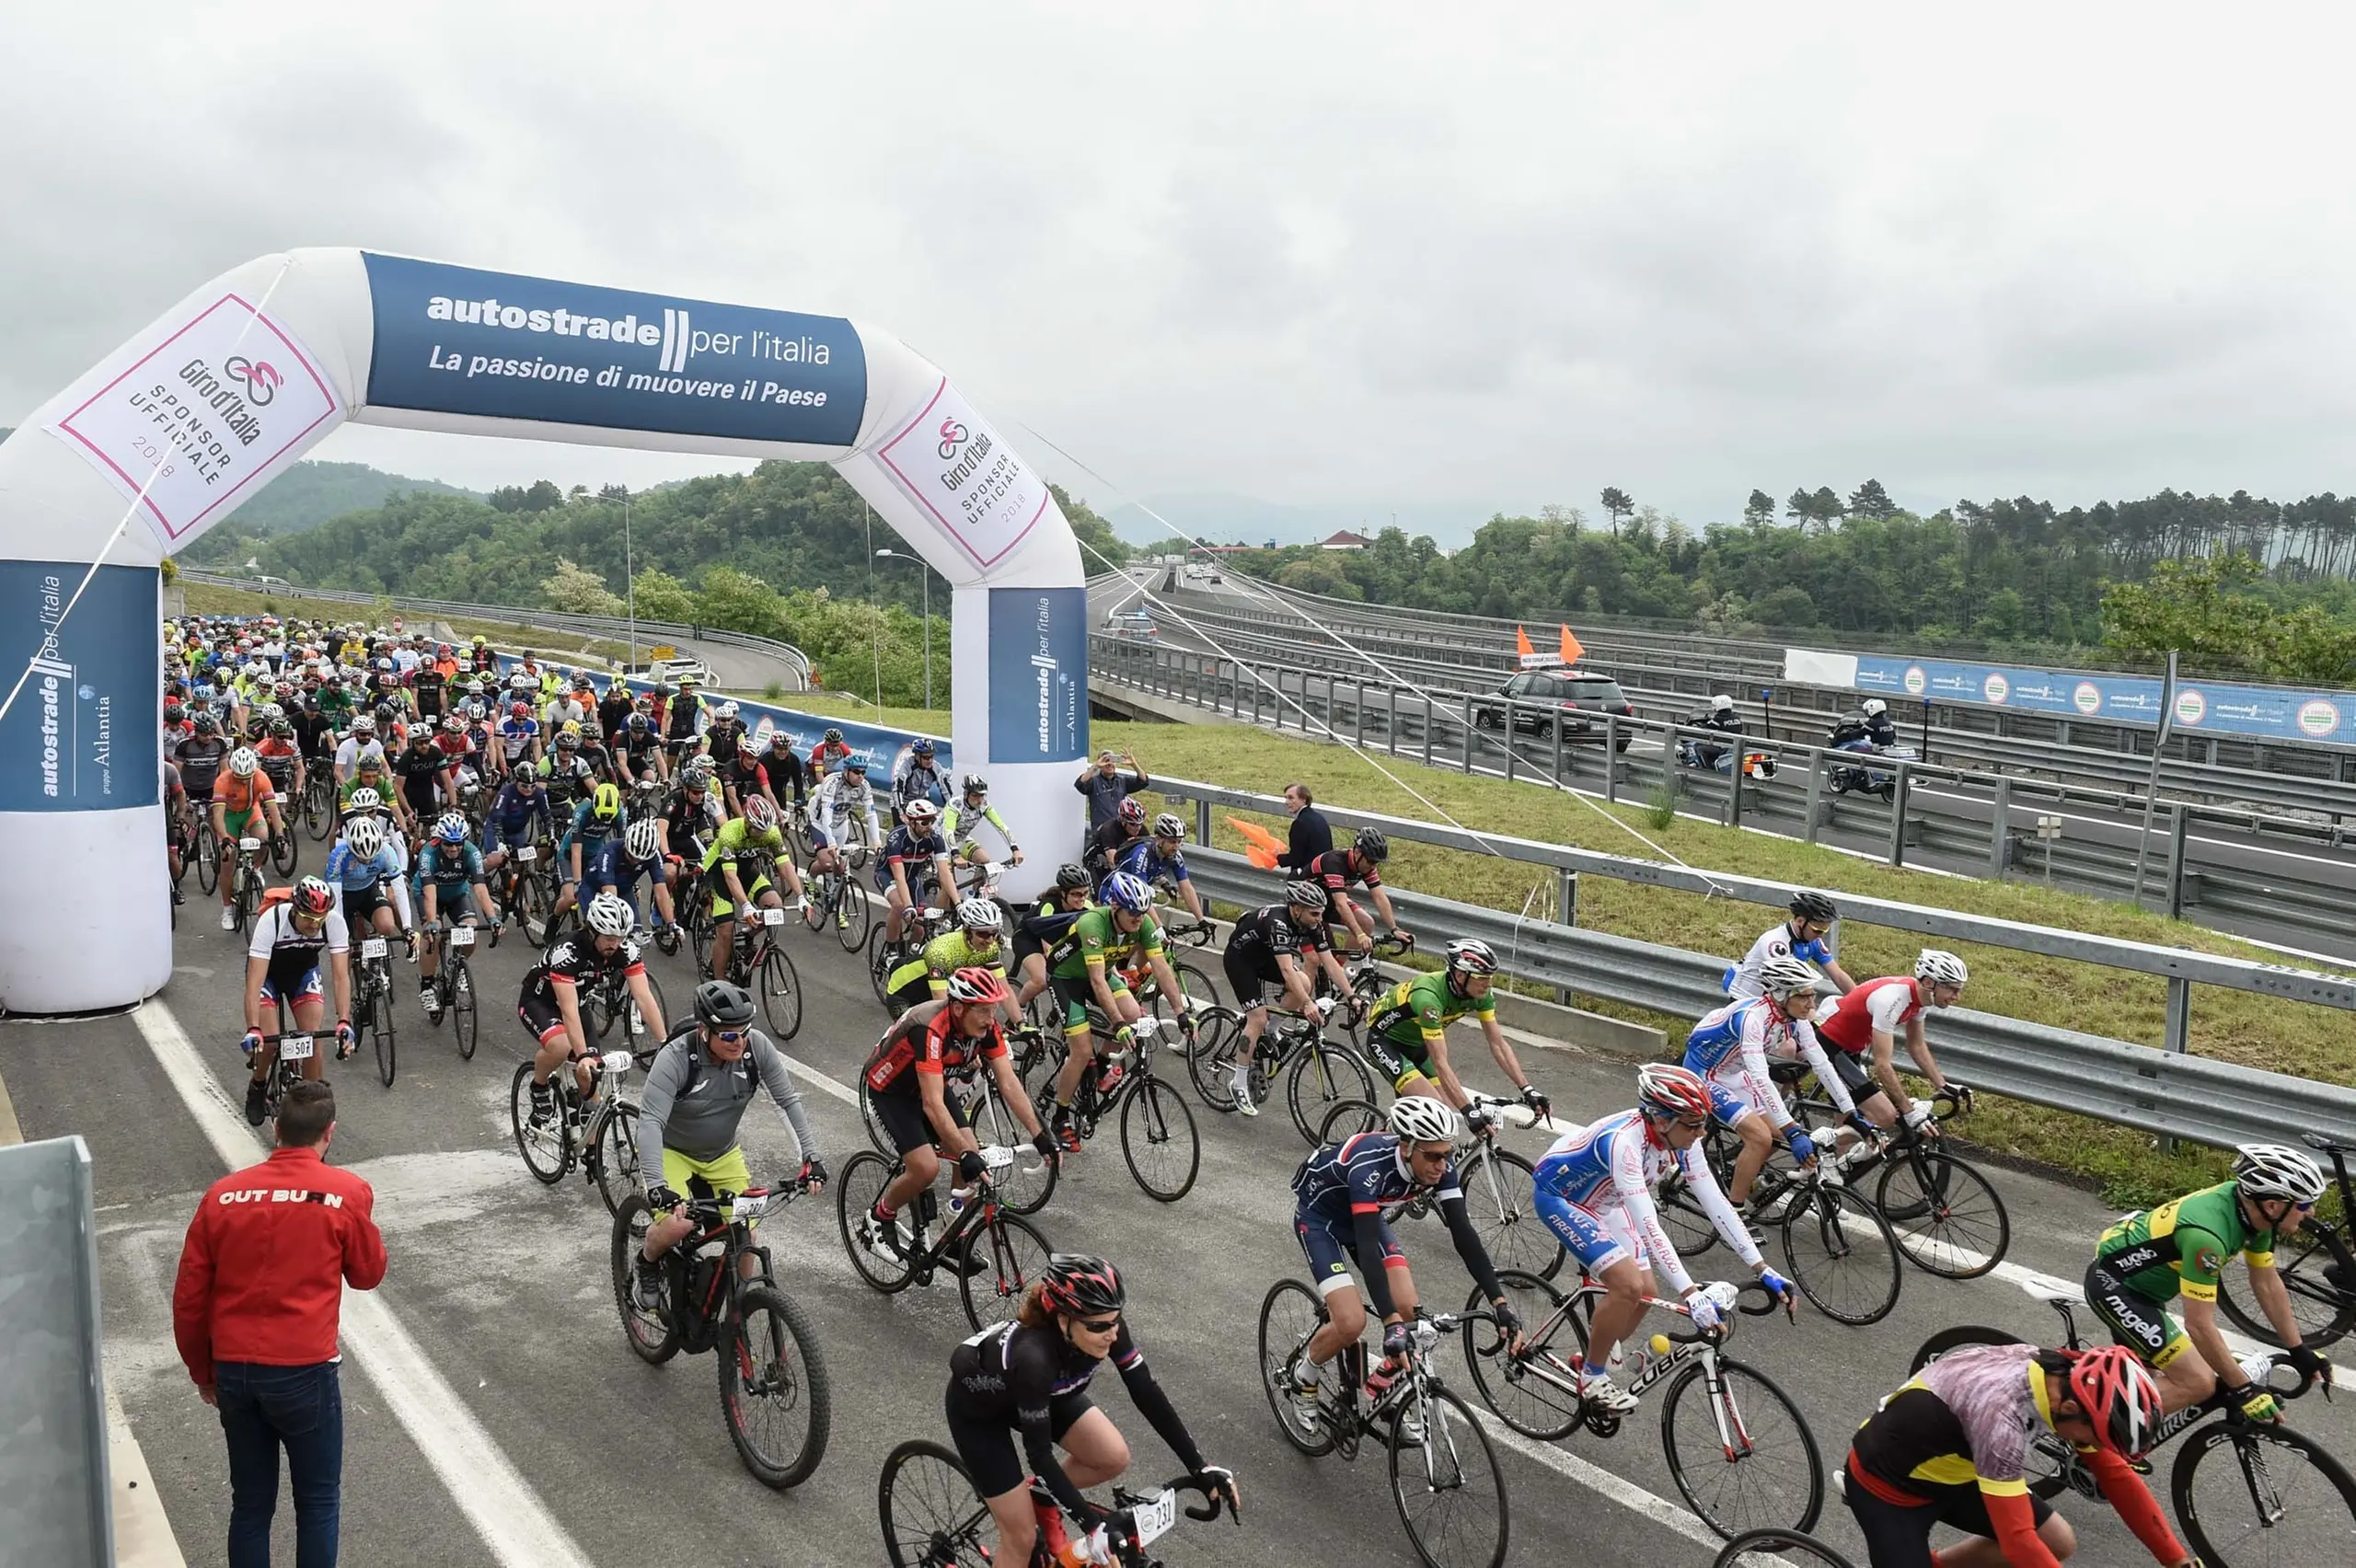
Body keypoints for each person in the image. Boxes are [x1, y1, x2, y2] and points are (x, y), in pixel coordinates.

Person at [172, 1079, 385, 1568]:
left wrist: (203, 1372)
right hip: (303, 1370)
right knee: (317, 1502)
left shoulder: (221, 1196)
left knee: (250, 1506)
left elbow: (188, 1299)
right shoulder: (346, 1192)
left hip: (235, 1371)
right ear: (328, 1133)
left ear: (276, 1129)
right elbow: (368, 1274)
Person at [1530, 1065, 1795, 1412]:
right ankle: (1592, 1378)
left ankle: (1590, 1354)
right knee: (1627, 1285)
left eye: (1704, 1122)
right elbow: (1650, 1225)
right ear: (1659, 1119)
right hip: (1563, 1197)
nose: (1701, 1132)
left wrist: (1763, 1269)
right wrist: (1691, 1295)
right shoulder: (1624, 1142)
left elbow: (1717, 1203)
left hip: (1607, 1201)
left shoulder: (1682, 1137)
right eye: (1693, 1124)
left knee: (1647, 1293)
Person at [945, 1254, 1237, 1568]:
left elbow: (1145, 1390)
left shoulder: (1103, 1325)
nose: (1112, 1334)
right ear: (1062, 1320)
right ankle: (1032, 1507)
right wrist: (1093, 1528)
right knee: (1021, 1538)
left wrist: (1199, 1466)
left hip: (1048, 1397)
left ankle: (1043, 1496)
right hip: (982, 1416)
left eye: (1116, 1320)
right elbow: (1039, 1455)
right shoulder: (1034, 1359)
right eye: (1099, 1326)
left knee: (1113, 1456)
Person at [1278, 1097, 1521, 1438]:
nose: (1442, 1164)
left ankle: (1380, 1386)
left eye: (1447, 1154)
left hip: (1366, 1217)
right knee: (1351, 1322)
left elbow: (1464, 1236)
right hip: (1323, 1222)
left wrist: (1500, 1304)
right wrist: (1390, 1323)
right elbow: (1365, 1247)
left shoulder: (1439, 1167)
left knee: (1411, 1313)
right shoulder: (1368, 1167)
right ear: (1407, 1147)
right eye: (1433, 1156)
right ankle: (1304, 1375)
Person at [1844, 1341, 2185, 1568]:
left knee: (2057, 1541)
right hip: (1889, 1490)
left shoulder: (2066, 1376)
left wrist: (2177, 1561)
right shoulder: (2002, 1419)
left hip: (1958, 1469)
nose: (2100, 1448)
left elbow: (2117, 1477)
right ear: (2069, 1408)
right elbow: (2017, 1540)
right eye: (2099, 1438)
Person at [2088, 1143, 2333, 1417]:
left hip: (2145, 1291)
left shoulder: (2256, 1214)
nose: (2311, 1211)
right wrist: (2243, 1389)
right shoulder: (2207, 1238)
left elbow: (2266, 1283)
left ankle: (2111, 1434)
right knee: (2198, 1383)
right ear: (2273, 1205)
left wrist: (2298, 1349)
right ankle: (2090, 1435)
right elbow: (2199, 1325)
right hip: (2117, 1287)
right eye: (2305, 1203)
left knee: (2151, 1380)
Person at [629, 980, 826, 1309]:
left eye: (744, 1032)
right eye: (730, 1036)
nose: (740, 1043)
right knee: (680, 1224)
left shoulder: (756, 1049)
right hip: (672, 1149)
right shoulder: (676, 1059)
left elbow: (787, 1102)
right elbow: (650, 1122)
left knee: (746, 1235)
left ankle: (739, 1314)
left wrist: (811, 1157)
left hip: (721, 1153)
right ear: (705, 1031)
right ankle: (647, 1261)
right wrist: (658, 1186)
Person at [859, 968, 1055, 1260]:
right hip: (892, 1090)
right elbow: (932, 1104)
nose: (991, 1019)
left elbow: (1009, 1083)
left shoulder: (984, 1028)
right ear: (959, 1007)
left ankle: (953, 1233)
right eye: (985, 1011)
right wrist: (964, 1155)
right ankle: (879, 1216)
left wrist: (1041, 1135)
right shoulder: (929, 1029)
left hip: (930, 1085)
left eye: (994, 1010)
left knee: (972, 1151)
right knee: (926, 1168)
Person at [1681, 954, 1861, 1207]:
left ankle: (1741, 1172)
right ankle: (1735, 1211)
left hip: (1733, 1074)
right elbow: (1761, 1079)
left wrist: (1851, 1112)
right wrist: (1793, 1129)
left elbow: (1822, 1065)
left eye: (1813, 994)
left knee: (1777, 1135)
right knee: (1761, 1138)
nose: (1812, 1003)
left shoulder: (1795, 1020)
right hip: (1704, 1074)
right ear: (1781, 995)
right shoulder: (1752, 1018)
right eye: (1805, 996)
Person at [1041, 871, 1193, 1150]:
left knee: (1134, 1014)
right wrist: (1117, 1023)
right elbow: (1097, 981)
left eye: (1142, 913)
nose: (1138, 919)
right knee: (1082, 1048)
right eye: (1132, 913)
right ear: (1115, 907)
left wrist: (1180, 1012)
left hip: (1097, 972)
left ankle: (1100, 1065)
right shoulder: (1092, 924)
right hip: (1066, 978)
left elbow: (1161, 967)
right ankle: (1060, 1117)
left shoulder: (1142, 923)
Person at [1360, 939, 1548, 1125]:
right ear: (1460, 975)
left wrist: (1527, 1089)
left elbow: (1497, 1044)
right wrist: (1469, 1112)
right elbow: (1440, 1063)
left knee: (1444, 1115)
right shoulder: (1428, 998)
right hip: (1386, 1042)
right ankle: (1378, 1147)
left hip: (1418, 1044)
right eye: (1482, 978)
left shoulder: (1480, 995)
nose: (1489, 984)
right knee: (1435, 1113)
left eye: (1490, 977)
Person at [517, 892, 666, 1126]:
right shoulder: (568, 952)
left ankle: (589, 1154)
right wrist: (583, 1054)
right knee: (563, 1046)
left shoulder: (625, 950)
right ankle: (539, 1086)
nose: (614, 944)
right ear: (593, 930)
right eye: (608, 937)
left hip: (579, 1004)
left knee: (591, 1086)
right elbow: (567, 1010)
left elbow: (644, 997)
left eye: (620, 937)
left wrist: (664, 1042)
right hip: (541, 1002)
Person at [1818, 949, 1973, 1161]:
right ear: (1929, 982)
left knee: (1852, 1119)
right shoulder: (1892, 999)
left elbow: (1916, 1046)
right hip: (1829, 1047)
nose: (1957, 997)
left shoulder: (1922, 999)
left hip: (1850, 1050)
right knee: (1885, 1116)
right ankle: (1812, 1147)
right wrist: (1909, 1111)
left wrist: (1943, 1085)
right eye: (1953, 990)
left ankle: (1833, 1167)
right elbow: (1882, 1065)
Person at [1216, 881, 1356, 1115]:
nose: (1319, 919)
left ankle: (1271, 1031)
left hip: (1264, 957)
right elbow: (1286, 971)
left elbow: (1329, 961)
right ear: (1296, 908)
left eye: (1321, 913)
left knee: (1304, 983)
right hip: (1241, 961)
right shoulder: (1278, 923)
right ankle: (1238, 1083)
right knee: (1257, 1018)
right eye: (1314, 913)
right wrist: (1308, 1003)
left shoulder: (1311, 922)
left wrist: (1352, 996)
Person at [239, 878, 356, 1125]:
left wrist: (344, 1021)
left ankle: (313, 1114)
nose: (315, 925)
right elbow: (254, 982)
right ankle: (258, 1084)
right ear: (294, 909)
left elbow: (341, 976)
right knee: (269, 1043)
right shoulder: (272, 921)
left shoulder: (334, 922)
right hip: (268, 976)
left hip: (302, 975)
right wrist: (253, 1028)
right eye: (308, 918)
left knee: (312, 1038)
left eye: (319, 919)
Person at [702, 793, 805, 975]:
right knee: (725, 931)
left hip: (746, 870)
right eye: (758, 831)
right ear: (748, 823)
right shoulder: (729, 833)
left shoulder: (770, 832)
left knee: (775, 907)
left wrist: (801, 897)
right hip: (719, 873)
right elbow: (730, 876)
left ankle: (746, 936)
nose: (762, 836)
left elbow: (786, 866)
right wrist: (746, 906)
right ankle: (718, 981)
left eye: (765, 831)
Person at [414, 813, 498, 1022]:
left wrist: (492, 918)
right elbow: (430, 890)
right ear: (439, 840)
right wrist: (432, 922)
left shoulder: (472, 853)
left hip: (457, 895)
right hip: (428, 893)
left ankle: (456, 964)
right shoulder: (428, 854)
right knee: (433, 936)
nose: (453, 849)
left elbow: (480, 888)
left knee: (470, 930)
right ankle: (426, 985)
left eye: (457, 844)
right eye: (448, 844)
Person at [885, 895, 1018, 1020]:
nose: (989, 940)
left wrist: (1022, 1025)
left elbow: (1004, 989)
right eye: (982, 934)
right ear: (967, 931)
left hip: (935, 993)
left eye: (993, 933)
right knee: (928, 1037)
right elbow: (941, 1003)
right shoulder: (940, 952)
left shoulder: (990, 948)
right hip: (904, 996)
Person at [1727, 890, 1858, 998]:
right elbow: (1792, 984)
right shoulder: (1776, 942)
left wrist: (1861, 1001)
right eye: (1817, 930)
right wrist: (1814, 1022)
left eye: (1825, 930)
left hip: (1774, 1000)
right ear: (1800, 921)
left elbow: (1839, 976)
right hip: (1744, 1000)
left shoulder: (1813, 941)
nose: (1821, 935)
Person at [212, 747, 285, 929]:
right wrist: (224, 839)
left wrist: (281, 835)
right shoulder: (222, 780)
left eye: (247, 777)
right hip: (229, 816)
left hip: (250, 812)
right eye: (239, 776)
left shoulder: (261, 777)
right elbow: (218, 816)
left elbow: (274, 810)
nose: (243, 780)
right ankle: (227, 908)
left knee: (263, 838)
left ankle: (256, 868)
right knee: (227, 861)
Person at [1310, 828, 1408, 954]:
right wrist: (1360, 935)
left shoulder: (1366, 867)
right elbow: (1341, 903)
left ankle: (1339, 966)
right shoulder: (1335, 862)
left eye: (1376, 863)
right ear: (1357, 852)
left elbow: (1379, 897)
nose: (1373, 866)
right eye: (1371, 861)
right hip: (1307, 902)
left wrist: (1394, 929)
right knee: (1314, 960)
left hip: (1329, 900)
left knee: (1366, 922)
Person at [877, 796, 956, 951]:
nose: (930, 826)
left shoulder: (935, 839)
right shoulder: (896, 838)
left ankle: (910, 958)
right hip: (888, 875)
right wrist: (908, 907)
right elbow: (899, 877)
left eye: (932, 821)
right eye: (925, 823)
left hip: (913, 879)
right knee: (899, 905)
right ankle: (891, 951)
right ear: (911, 822)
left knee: (920, 927)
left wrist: (958, 904)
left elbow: (945, 873)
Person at [1013, 865, 1093, 1018]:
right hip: (1029, 938)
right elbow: (1048, 947)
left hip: (1058, 940)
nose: (1082, 899)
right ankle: (1017, 1010)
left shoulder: (1087, 907)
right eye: (1076, 894)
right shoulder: (1049, 905)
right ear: (1063, 893)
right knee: (1041, 980)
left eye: (1085, 893)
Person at [1110, 813, 1207, 925]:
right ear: (1159, 839)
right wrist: (1159, 926)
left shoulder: (1175, 855)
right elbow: (1142, 895)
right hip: (1113, 894)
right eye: (1172, 841)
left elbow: (1186, 888)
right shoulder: (1142, 854)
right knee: (1132, 930)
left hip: (1133, 899)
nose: (1176, 847)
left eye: (1179, 842)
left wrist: (1202, 920)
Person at [940, 773, 1023, 873]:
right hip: (942, 841)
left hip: (961, 839)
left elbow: (1001, 826)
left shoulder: (984, 805)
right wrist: (956, 856)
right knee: (948, 883)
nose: (979, 800)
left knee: (984, 862)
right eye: (975, 796)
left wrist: (1015, 849)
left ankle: (977, 889)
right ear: (966, 794)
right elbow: (948, 831)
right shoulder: (955, 805)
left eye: (982, 795)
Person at [1073, 748, 1150, 831]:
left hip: (1120, 831)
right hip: (1101, 832)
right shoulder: (1093, 782)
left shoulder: (1123, 781)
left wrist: (1134, 764)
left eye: (1112, 761)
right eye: (1106, 761)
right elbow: (1079, 784)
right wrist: (1094, 767)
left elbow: (1143, 781)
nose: (1110, 764)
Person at [892, 735, 950, 824]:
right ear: (917, 757)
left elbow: (945, 789)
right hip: (903, 801)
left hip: (921, 799)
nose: (930, 760)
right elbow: (897, 788)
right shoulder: (907, 765)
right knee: (903, 830)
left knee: (933, 828)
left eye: (932, 756)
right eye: (926, 758)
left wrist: (952, 809)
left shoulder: (936, 767)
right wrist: (901, 813)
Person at [1277, 781, 1332, 876]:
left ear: (1304, 799)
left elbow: (1296, 858)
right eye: (1285, 798)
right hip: (1323, 872)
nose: (1286, 802)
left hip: (1307, 878)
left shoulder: (1300, 823)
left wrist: (1277, 857)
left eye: (1291, 798)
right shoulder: (1319, 817)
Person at [1682, 693, 1746, 771]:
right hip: (1735, 745)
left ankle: (1708, 770)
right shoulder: (1737, 718)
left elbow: (1706, 727)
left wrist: (1699, 726)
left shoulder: (1718, 719)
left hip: (1723, 747)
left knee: (1699, 748)